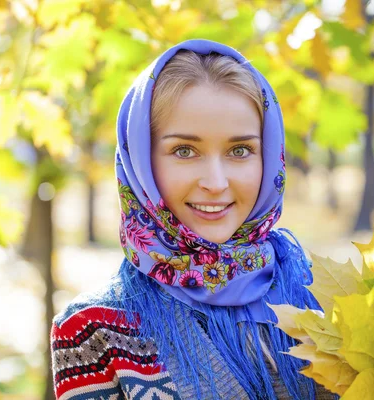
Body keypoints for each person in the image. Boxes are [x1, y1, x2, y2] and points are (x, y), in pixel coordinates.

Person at [50, 39, 335, 400]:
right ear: (140, 161)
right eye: (184, 151)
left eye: (240, 150)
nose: (216, 183)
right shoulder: (93, 332)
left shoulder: (327, 299)